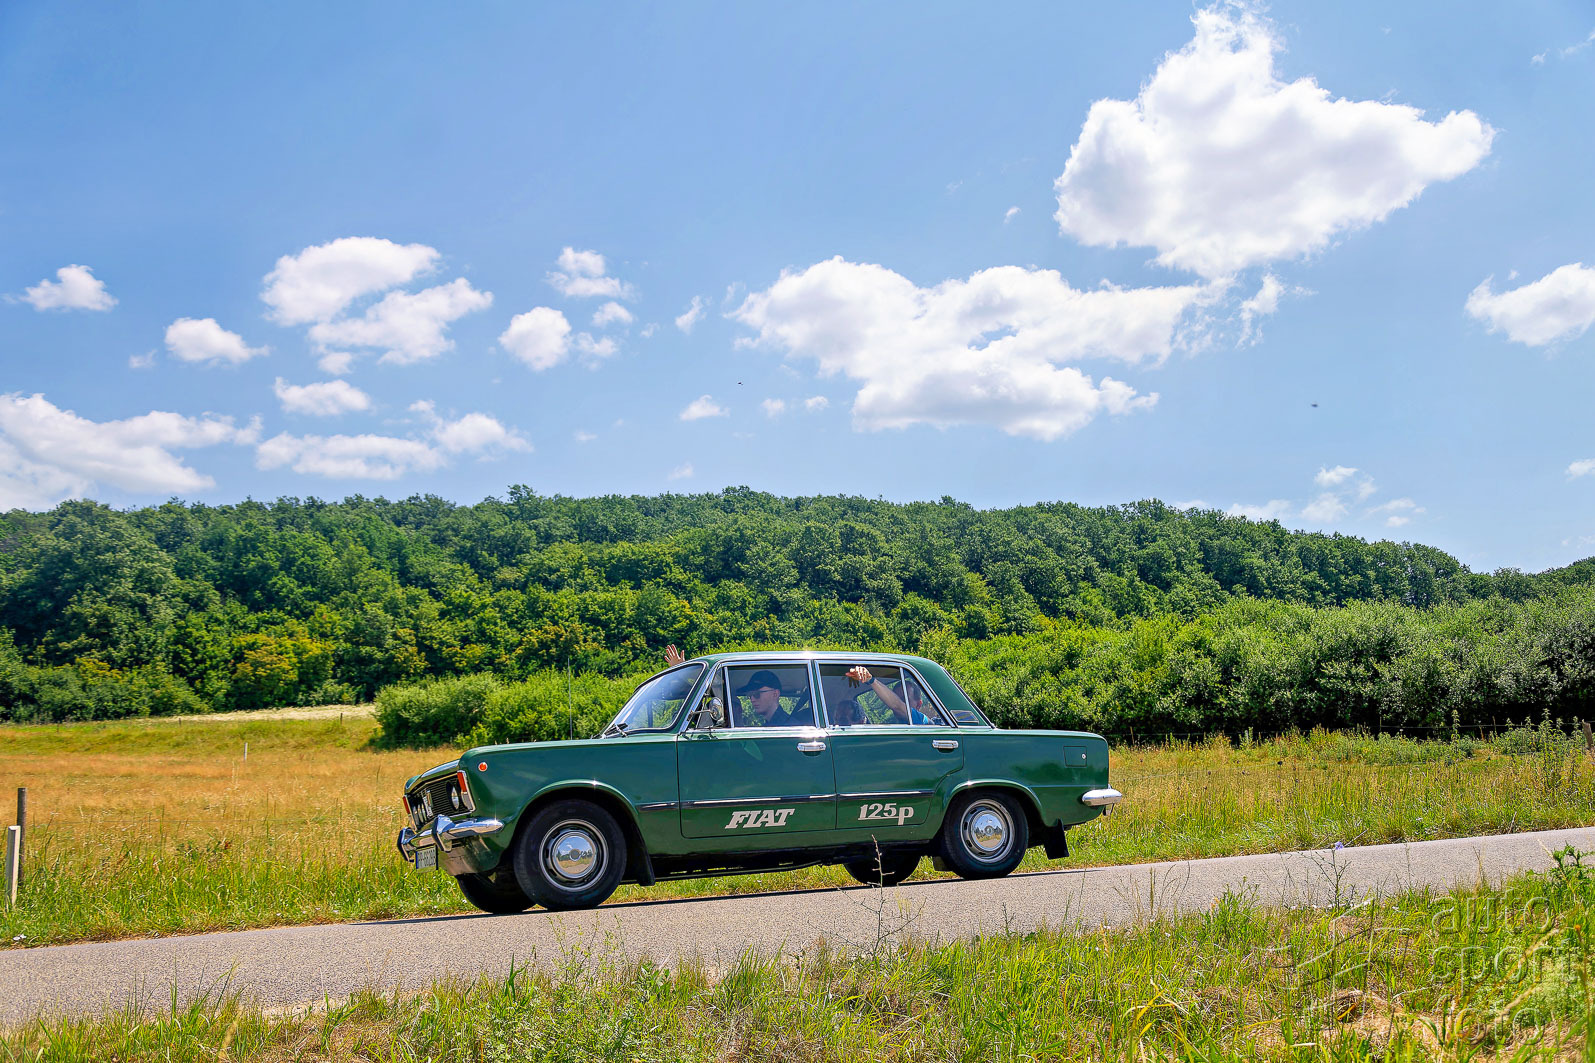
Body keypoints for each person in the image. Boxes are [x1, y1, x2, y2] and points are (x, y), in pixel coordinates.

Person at [844, 665, 937, 725]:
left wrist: (870, 679)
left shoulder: (922, 721)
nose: (896, 702)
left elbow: (897, 705)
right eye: (895, 697)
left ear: (918, 705)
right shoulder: (893, 724)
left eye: (904, 700)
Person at [733, 669, 807, 727]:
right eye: (749, 695)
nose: (752, 699)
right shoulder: (771, 726)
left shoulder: (790, 727)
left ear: (775, 694)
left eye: (756, 694)